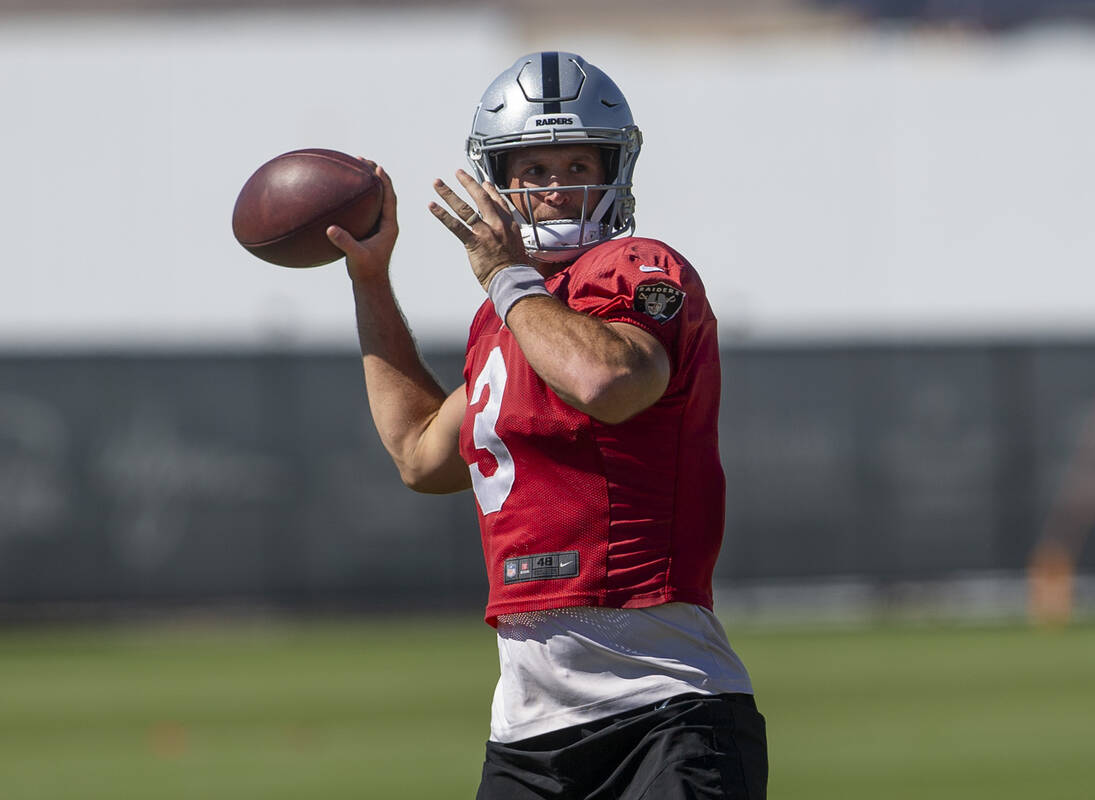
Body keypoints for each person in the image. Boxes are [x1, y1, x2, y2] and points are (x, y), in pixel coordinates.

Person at [326, 51, 768, 800]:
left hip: (665, 710)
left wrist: (507, 281)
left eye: (577, 163)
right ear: (500, 183)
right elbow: (420, 451)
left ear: (614, 167)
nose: (560, 188)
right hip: (528, 738)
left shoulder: (640, 267)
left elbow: (614, 381)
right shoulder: (510, 318)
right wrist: (371, 281)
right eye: (534, 171)